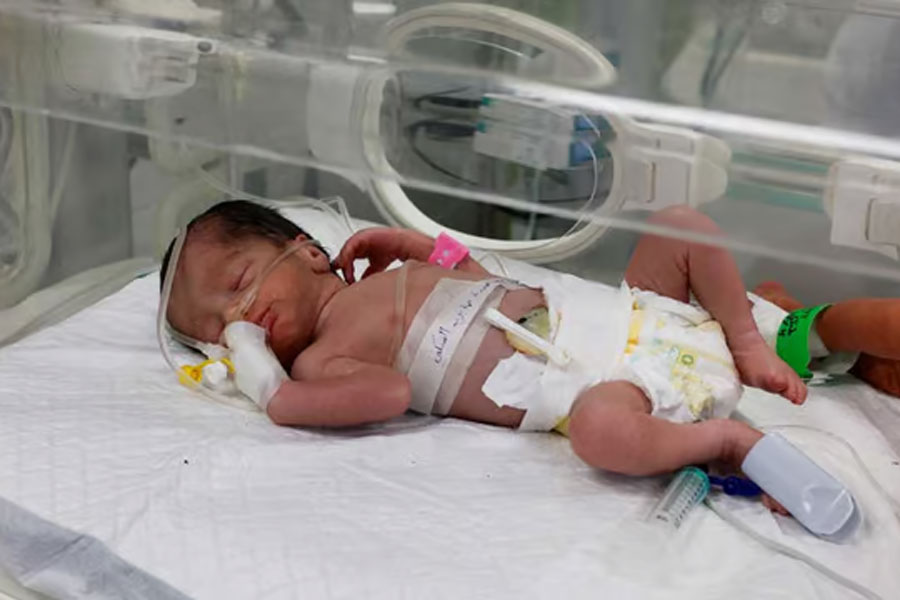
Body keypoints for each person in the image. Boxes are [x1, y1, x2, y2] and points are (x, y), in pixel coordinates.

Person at [162, 200, 899, 503]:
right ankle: (728, 437)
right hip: (609, 380)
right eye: (215, 326)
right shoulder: (324, 363)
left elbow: (486, 281)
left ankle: (746, 334)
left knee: (682, 223)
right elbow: (385, 396)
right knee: (601, 437)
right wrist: (266, 381)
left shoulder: (388, 277)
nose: (236, 314)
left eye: (236, 284)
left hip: (629, 309)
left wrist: (424, 246)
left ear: (307, 250)